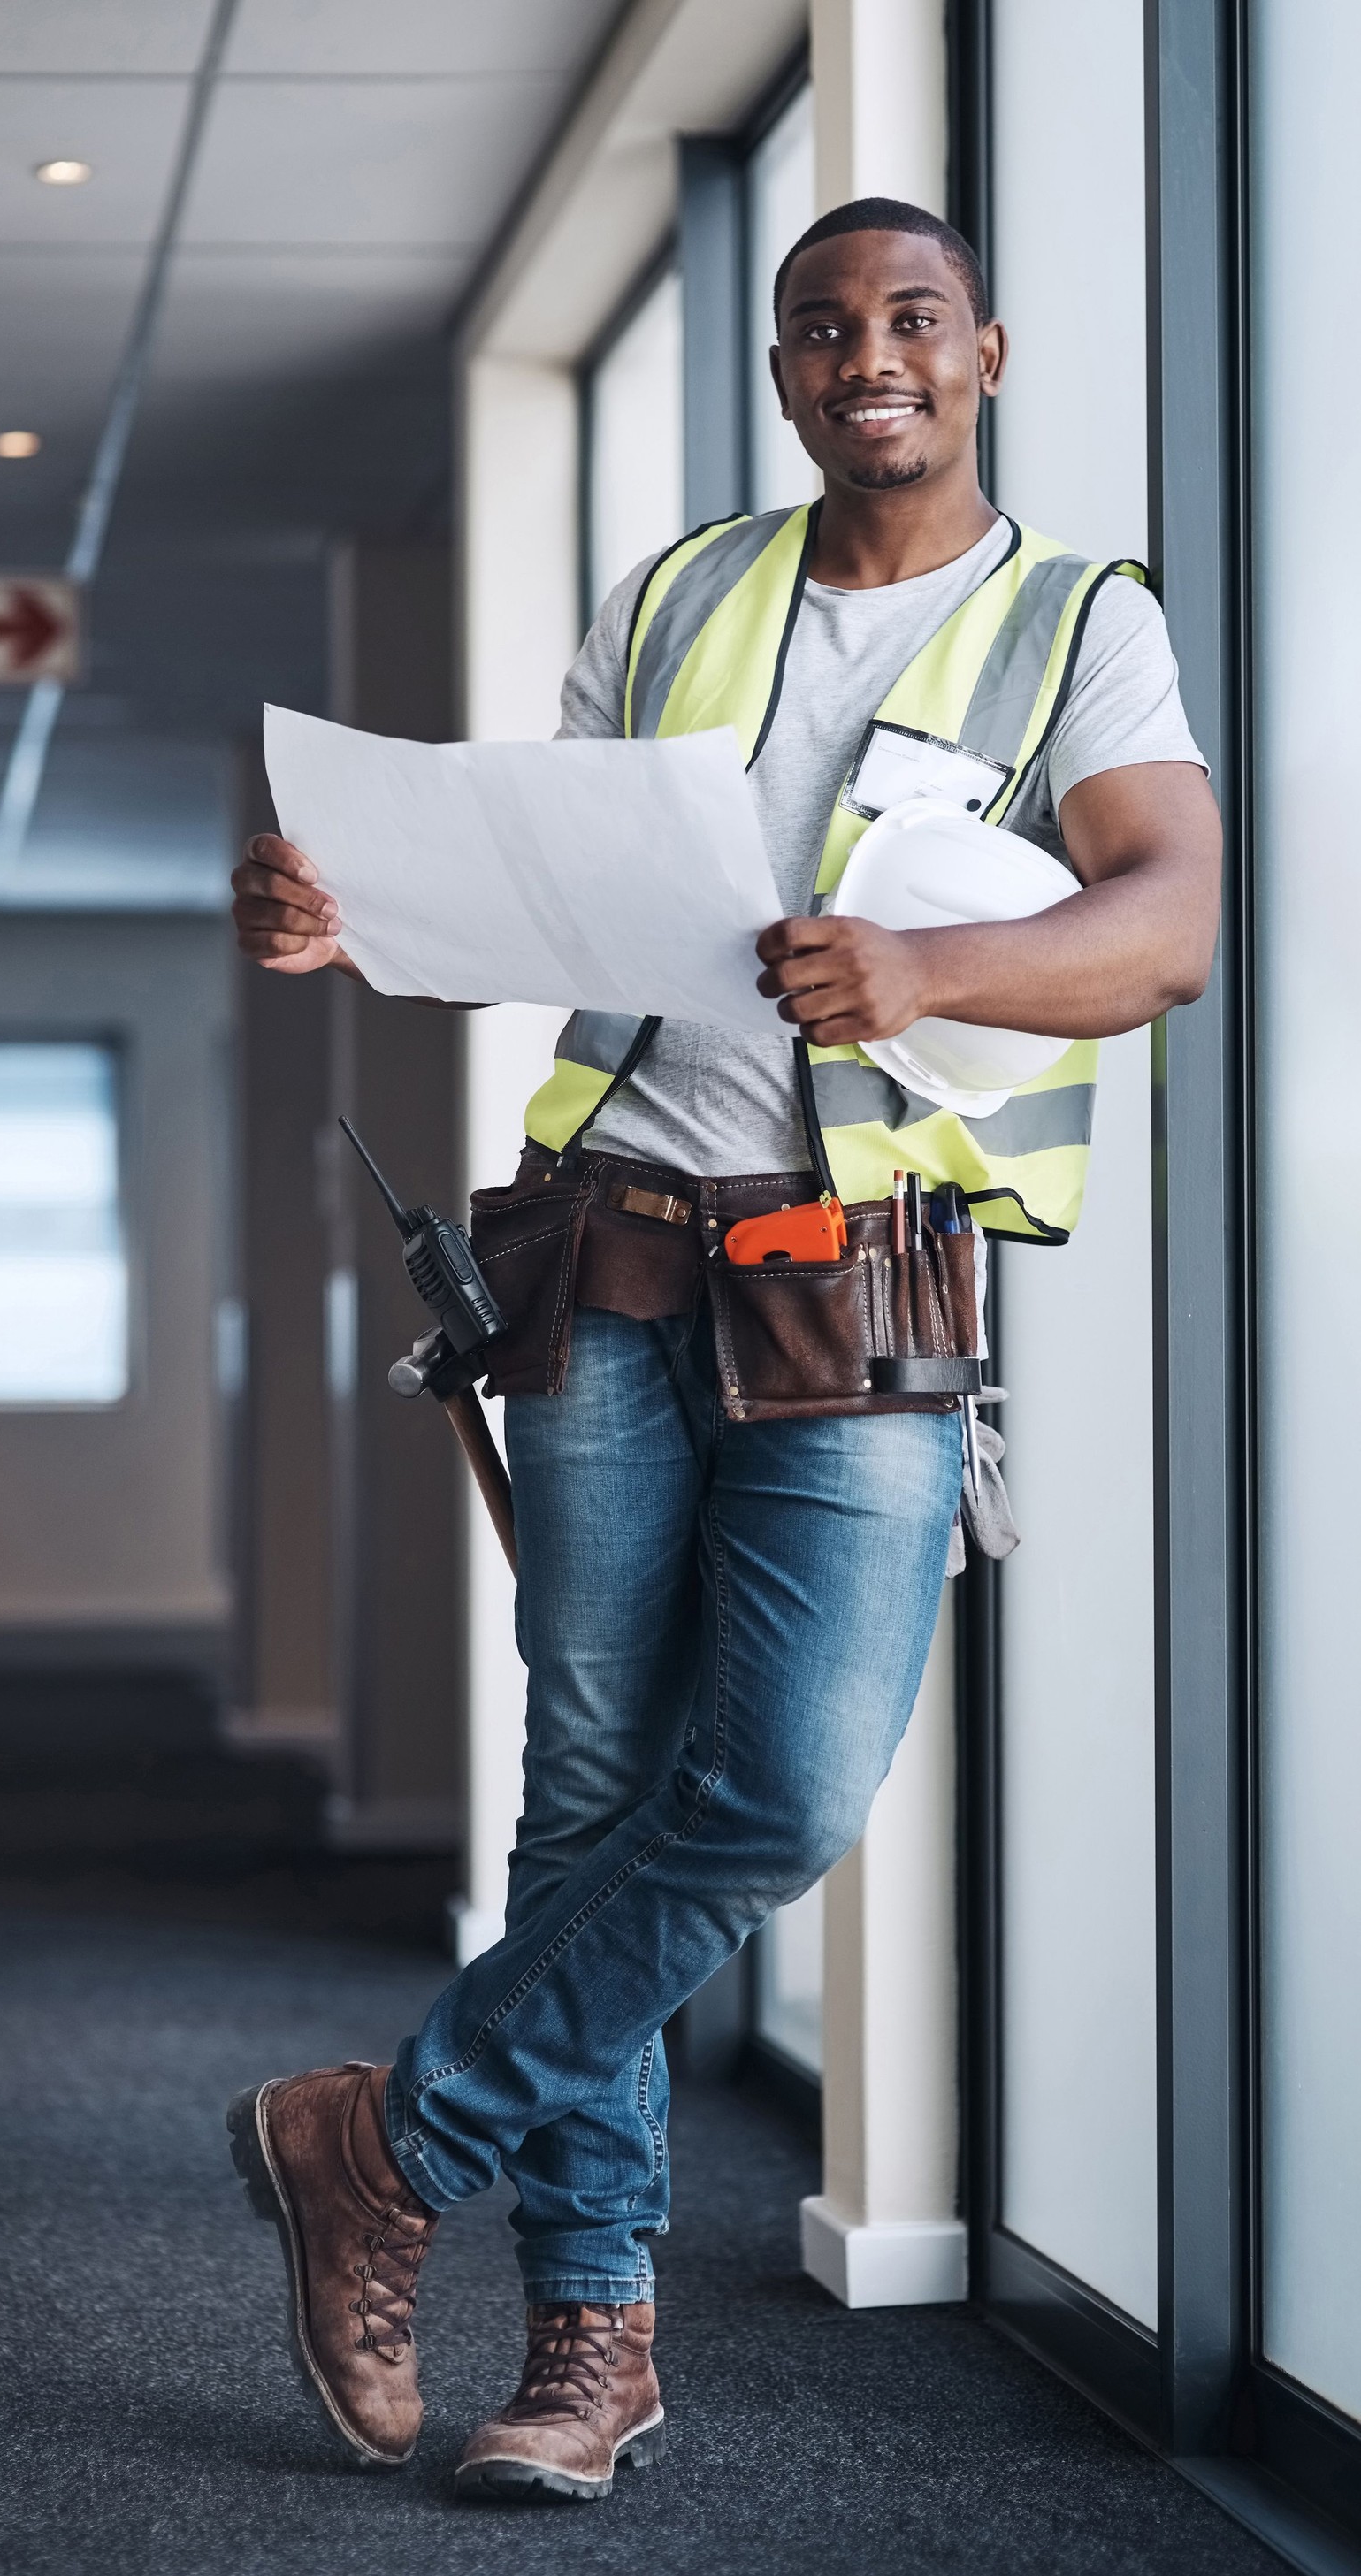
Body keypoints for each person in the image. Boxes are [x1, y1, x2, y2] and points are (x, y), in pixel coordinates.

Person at [226, 196, 1220, 2504]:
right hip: (614, 1253)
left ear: (987, 350)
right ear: (782, 373)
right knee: (587, 1791)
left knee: (774, 1789)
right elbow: (535, 903)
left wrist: (931, 976)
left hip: (867, 1278)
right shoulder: (675, 598)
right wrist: (348, 916)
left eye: (911, 320)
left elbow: (1165, 918)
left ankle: (387, 2133)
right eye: (821, 328)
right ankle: (592, 2343)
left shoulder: (1079, 619)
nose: (867, 356)